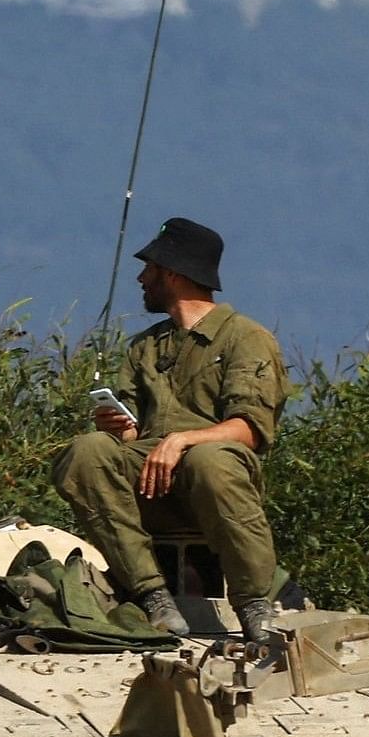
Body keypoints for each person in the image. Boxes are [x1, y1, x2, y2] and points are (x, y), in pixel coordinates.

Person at [50, 215, 292, 643]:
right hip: (151, 478)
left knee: (209, 459)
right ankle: (151, 594)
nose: (142, 279)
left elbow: (250, 430)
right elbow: (132, 437)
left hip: (217, 477)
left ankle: (254, 601)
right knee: (87, 451)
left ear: (176, 274)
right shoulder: (145, 346)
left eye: (151, 269)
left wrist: (182, 440)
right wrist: (119, 427)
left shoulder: (244, 338)